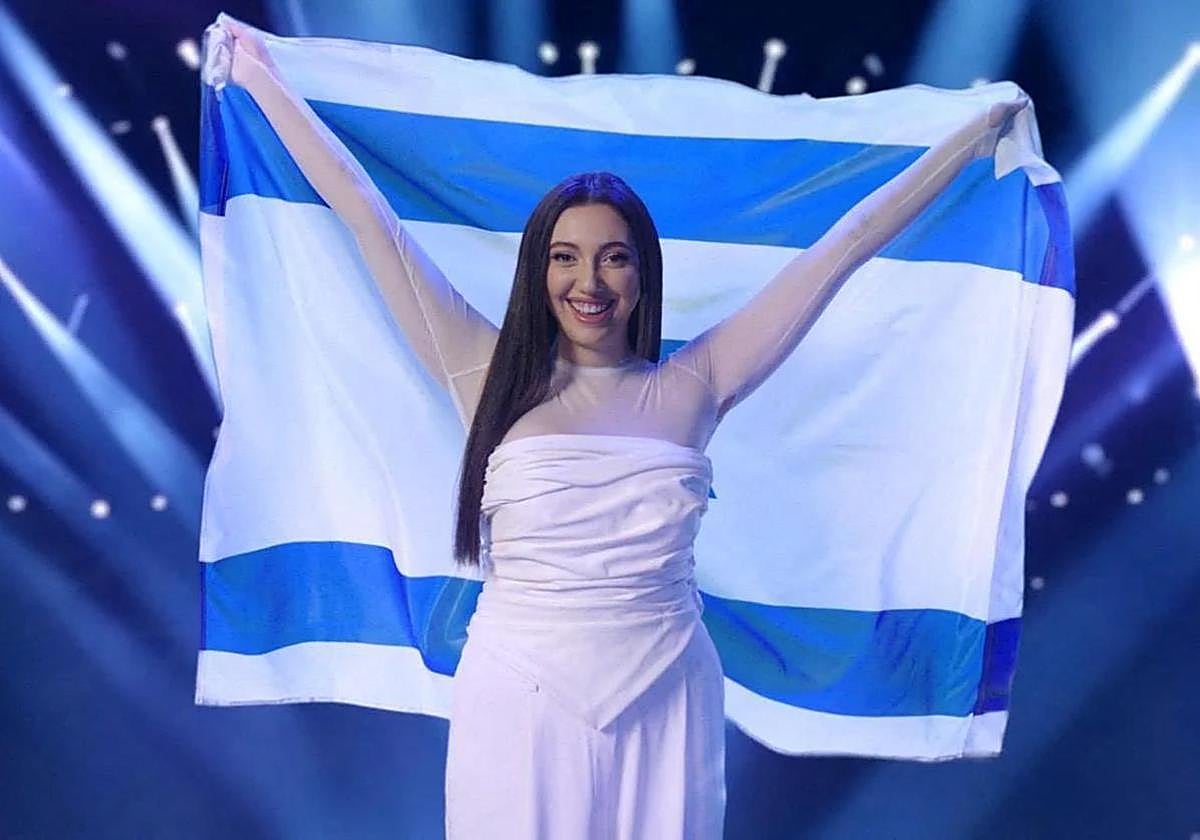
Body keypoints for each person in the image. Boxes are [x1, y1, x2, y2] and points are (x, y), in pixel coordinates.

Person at [213, 17, 1024, 839]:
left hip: (667, 690)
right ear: (538, 269)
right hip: (518, 693)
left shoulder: (697, 383)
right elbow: (368, 218)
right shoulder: (483, 374)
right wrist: (258, 77)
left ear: (642, 273)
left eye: (614, 256)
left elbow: (844, 246)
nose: (588, 281)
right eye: (565, 256)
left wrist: (968, 137)